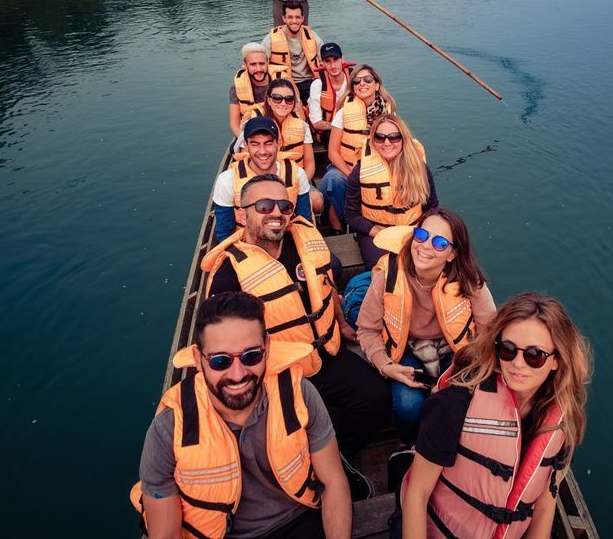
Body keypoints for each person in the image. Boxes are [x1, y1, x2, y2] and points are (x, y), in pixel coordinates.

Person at [202, 174, 391, 480]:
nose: (276, 213)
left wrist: (342, 325)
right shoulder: (229, 276)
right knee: (282, 435)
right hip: (276, 374)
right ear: (241, 213)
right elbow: (223, 348)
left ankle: (335, 452)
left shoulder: (306, 240)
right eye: (264, 206)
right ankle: (311, 459)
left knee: (378, 399)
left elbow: (326, 286)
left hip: (325, 353)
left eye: (284, 205)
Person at [132, 291, 351, 539]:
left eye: (251, 356)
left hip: (297, 521)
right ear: (198, 358)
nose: (238, 375)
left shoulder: (298, 394)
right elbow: (166, 534)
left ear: (267, 347)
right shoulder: (169, 429)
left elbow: (333, 482)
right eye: (220, 361)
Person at [401, 293, 593, 539]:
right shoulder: (454, 405)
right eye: (508, 349)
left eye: (534, 355)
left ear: (556, 360)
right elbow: (416, 494)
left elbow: (545, 506)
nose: (518, 364)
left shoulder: (561, 422)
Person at [355, 208, 497, 445]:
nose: (426, 246)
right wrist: (385, 365)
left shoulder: (469, 281)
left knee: (456, 402)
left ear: (452, 254)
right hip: (406, 347)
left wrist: (462, 372)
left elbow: (489, 332)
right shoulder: (388, 275)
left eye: (440, 243)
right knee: (408, 407)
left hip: (455, 349)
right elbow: (367, 329)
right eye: (421, 235)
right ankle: (409, 445)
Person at [344, 114, 438, 268]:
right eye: (380, 137)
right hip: (376, 232)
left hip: (413, 230)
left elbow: (432, 206)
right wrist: (378, 233)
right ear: (373, 140)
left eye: (394, 137)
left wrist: (421, 233)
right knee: (383, 268)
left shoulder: (420, 169)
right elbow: (351, 215)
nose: (387, 143)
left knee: (422, 267)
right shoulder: (359, 171)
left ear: (403, 138)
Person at [213, 117, 312, 242]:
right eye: (255, 144)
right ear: (246, 145)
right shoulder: (227, 180)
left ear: (279, 144)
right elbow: (224, 233)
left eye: (268, 143)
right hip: (248, 249)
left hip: (285, 243)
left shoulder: (297, 174)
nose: (262, 151)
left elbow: (304, 221)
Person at [321, 64, 396, 230]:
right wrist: (351, 176)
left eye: (368, 79)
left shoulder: (389, 113)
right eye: (357, 81)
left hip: (376, 168)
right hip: (345, 167)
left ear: (376, 84)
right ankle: (339, 223)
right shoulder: (343, 112)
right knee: (333, 181)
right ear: (353, 87)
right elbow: (333, 152)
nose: (362, 83)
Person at [261, 78, 323, 214]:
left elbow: (310, 163)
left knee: (316, 201)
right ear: (269, 100)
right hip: (265, 183)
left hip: (297, 180)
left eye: (289, 99)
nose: (283, 103)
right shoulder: (255, 125)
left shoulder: (302, 125)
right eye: (277, 98)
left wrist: (299, 186)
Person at [261, 1, 323, 105]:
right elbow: (260, 61)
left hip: (310, 81)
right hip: (284, 82)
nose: (294, 21)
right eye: (290, 17)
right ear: (284, 18)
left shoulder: (312, 36)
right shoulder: (271, 38)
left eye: (297, 17)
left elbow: (325, 59)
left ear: (302, 18)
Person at [307, 42, 353, 135]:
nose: (333, 66)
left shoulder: (353, 80)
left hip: (350, 127)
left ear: (342, 59)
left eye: (335, 59)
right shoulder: (317, 85)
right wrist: (341, 128)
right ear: (323, 63)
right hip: (327, 130)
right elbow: (317, 123)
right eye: (328, 61)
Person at [228, 42, 271, 139]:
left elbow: (298, 111)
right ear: (245, 65)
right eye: (253, 64)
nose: (258, 69)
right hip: (250, 132)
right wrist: (243, 141)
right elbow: (234, 122)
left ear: (267, 63)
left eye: (262, 63)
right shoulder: (236, 87)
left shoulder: (282, 80)